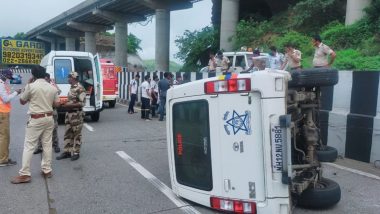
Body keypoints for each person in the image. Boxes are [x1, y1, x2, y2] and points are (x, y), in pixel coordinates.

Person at [11, 66, 60, 184]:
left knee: (29, 146)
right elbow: (57, 104)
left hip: (36, 119)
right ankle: (47, 170)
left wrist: (27, 87)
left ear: (33, 75)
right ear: (44, 75)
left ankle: (25, 174)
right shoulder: (52, 88)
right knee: (47, 144)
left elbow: (22, 101)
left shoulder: (31, 86)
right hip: (49, 118)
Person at [56, 71, 86, 161]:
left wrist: (67, 105)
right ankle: (67, 152)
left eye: (69, 77)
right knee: (68, 133)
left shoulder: (80, 88)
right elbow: (72, 100)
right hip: (69, 114)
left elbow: (82, 103)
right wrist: (65, 103)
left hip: (76, 114)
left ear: (73, 78)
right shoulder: (72, 88)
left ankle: (76, 152)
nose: (68, 79)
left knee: (77, 134)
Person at [34, 73, 61, 154]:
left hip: (52, 111)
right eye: (44, 79)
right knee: (40, 129)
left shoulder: (52, 87)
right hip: (41, 111)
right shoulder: (40, 87)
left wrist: (54, 83)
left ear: (49, 79)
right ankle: (40, 147)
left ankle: (55, 145)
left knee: (54, 129)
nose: (45, 80)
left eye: (46, 79)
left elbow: (59, 91)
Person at [0, 69, 21, 167]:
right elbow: (5, 99)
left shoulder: (3, 83)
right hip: (2, 113)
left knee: (5, 137)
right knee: (4, 137)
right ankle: (3, 160)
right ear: (4, 76)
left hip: (4, 112)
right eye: (8, 77)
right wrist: (16, 93)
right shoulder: (1, 84)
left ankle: (4, 157)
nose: (9, 79)